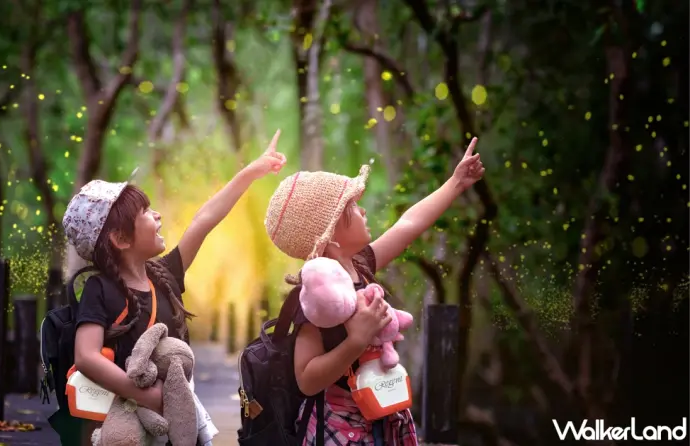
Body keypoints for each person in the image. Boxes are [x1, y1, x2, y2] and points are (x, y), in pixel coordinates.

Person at [63, 130, 286, 445]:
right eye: (146, 212)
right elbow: (86, 356)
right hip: (126, 423)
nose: (157, 215)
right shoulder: (100, 289)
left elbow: (204, 219)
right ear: (121, 238)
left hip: (176, 419)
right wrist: (147, 395)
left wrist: (252, 171)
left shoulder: (164, 276)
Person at [263, 138, 485, 445]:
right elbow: (307, 378)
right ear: (332, 234)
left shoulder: (360, 265)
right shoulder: (316, 298)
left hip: (380, 419)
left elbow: (407, 226)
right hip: (342, 432)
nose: (363, 210)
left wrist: (456, 183)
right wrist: (357, 339)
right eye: (352, 207)